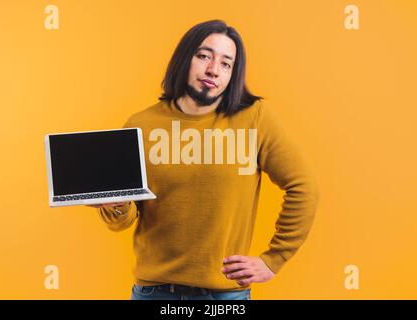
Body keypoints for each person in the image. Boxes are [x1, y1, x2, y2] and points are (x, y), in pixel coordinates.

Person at [87, 19, 319, 300]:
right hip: (154, 292)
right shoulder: (141, 125)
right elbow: (121, 221)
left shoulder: (254, 119)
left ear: (233, 74)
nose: (213, 70)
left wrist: (274, 259)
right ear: (185, 58)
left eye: (226, 63)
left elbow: (304, 186)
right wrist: (117, 203)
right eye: (204, 56)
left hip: (224, 296)